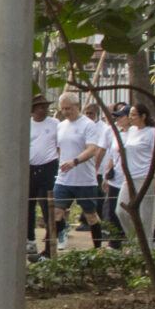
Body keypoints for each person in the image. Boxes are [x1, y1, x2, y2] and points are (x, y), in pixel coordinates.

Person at [53, 98, 111, 249]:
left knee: (90, 216)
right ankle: (51, 247)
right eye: (63, 109)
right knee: (56, 213)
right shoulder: (61, 126)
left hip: (84, 180)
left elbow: (92, 149)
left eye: (68, 108)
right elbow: (59, 148)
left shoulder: (88, 125)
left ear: (76, 106)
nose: (65, 112)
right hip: (64, 179)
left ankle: (97, 249)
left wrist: (75, 161)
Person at [114, 107, 155, 246]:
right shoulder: (132, 131)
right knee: (121, 211)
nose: (130, 118)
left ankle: (147, 248)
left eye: (133, 115)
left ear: (143, 116)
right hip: (129, 179)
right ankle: (135, 242)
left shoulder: (153, 133)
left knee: (146, 216)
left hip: (146, 178)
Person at [27, 94, 62, 259]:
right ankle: (30, 240)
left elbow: (60, 145)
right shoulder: (27, 124)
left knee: (47, 206)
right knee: (28, 206)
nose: (44, 110)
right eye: (41, 107)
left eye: (46, 107)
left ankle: (50, 245)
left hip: (48, 167)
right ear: (33, 109)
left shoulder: (55, 124)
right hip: (30, 168)